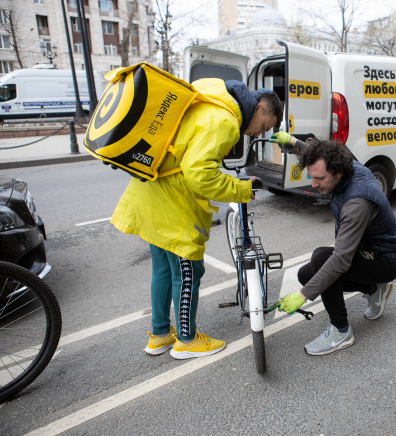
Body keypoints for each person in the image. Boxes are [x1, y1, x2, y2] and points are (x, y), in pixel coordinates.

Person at [111, 80, 282, 360]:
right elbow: (199, 175)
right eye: (262, 126)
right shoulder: (225, 120)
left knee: (163, 271)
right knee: (188, 272)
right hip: (173, 205)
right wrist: (241, 189)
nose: (256, 133)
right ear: (259, 106)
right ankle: (187, 340)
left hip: (151, 195)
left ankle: (160, 334)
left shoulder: (210, 99)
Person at [269, 133, 396, 355]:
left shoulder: (357, 203)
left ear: (338, 172)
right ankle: (373, 289)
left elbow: (341, 260)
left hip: (386, 258)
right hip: (366, 252)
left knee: (322, 259)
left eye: (320, 179)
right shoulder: (343, 162)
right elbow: (316, 152)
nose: (314, 184)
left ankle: (341, 330)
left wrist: (302, 296)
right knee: (307, 275)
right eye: (312, 177)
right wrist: (292, 141)